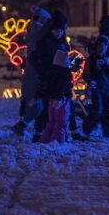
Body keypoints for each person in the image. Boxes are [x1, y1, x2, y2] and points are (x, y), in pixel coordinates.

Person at [32, 11, 74, 144]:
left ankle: (61, 134)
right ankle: (41, 134)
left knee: (63, 110)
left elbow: (65, 57)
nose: (58, 33)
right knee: (47, 109)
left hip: (61, 79)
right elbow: (34, 59)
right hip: (49, 79)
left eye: (61, 30)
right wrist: (45, 70)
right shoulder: (45, 43)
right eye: (56, 30)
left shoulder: (62, 43)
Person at [14, 5, 50, 137]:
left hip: (32, 71)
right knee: (37, 100)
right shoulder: (38, 31)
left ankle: (26, 125)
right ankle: (26, 126)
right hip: (36, 72)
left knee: (35, 100)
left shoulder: (34, 30)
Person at [85, 35, 109, 138]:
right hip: (97, 88)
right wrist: (89, 81)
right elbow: (86, 73)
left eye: (103, 46)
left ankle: (108, 132)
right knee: (97, 110)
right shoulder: (92, 58)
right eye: (99, 45)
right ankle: (87, 129)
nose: (101, 48)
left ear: (107, 47)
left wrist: (105, 65)